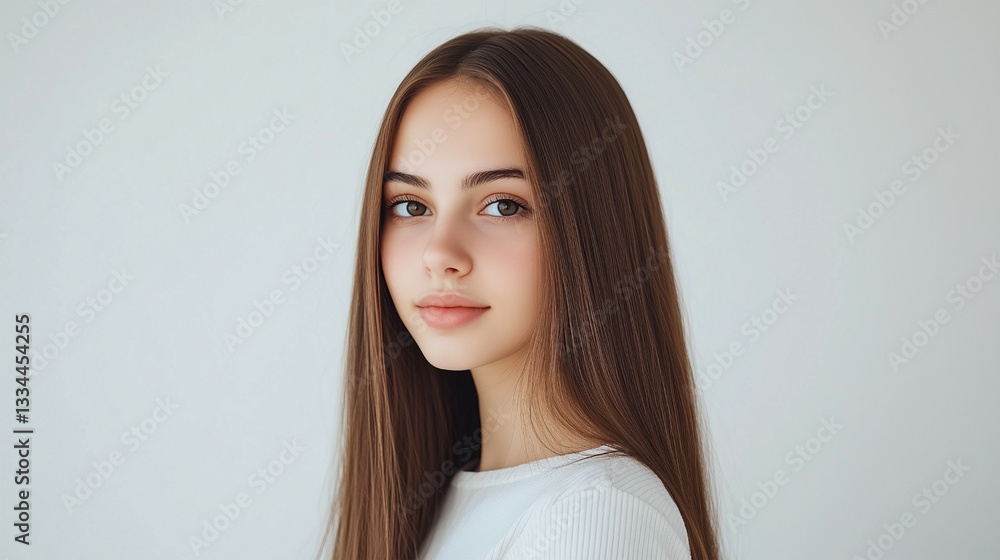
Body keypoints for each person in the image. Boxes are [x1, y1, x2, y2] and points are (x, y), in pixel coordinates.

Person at [319, 26, 721, 560]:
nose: (440, 254)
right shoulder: (432, 502)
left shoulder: (595, 515)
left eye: (502, 205)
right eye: (412, 206)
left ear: (593, 230)